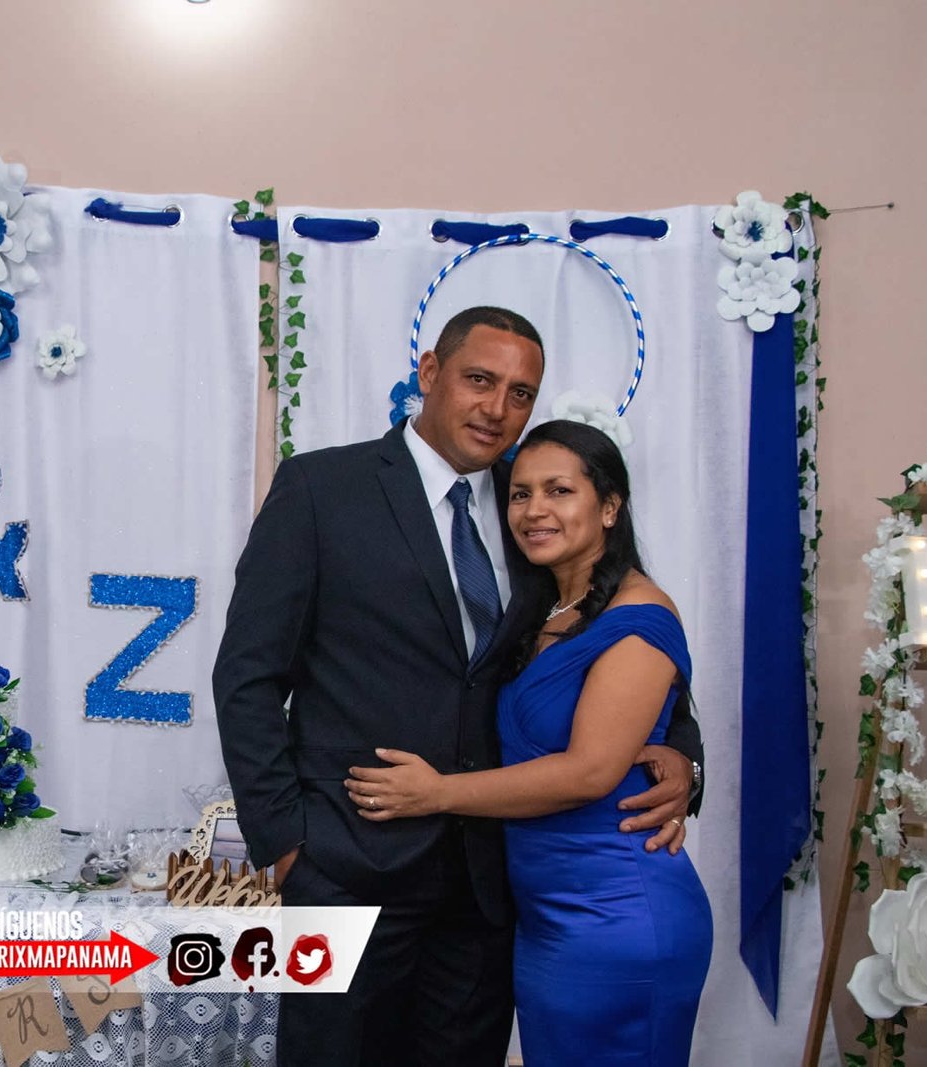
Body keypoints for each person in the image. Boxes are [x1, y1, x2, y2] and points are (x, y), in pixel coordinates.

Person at [212, 306, 704, 1066]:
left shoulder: (531, 504)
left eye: (520, 393)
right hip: (345, 866)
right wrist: (286, 845)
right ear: (430, 373)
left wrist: (681, 753)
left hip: (487, 887)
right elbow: (246, 674)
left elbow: (614, 637)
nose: (497, 407)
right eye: (480, 379)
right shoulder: (322, 487)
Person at [343, 418, 713, 1065]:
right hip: (543, 919)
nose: (534, 509)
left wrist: (436, 792)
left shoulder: (639, 614)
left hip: (616, 912)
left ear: (609, 506)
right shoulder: (534, 604)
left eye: (559, 491)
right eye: (520, 493)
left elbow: (590, 771)